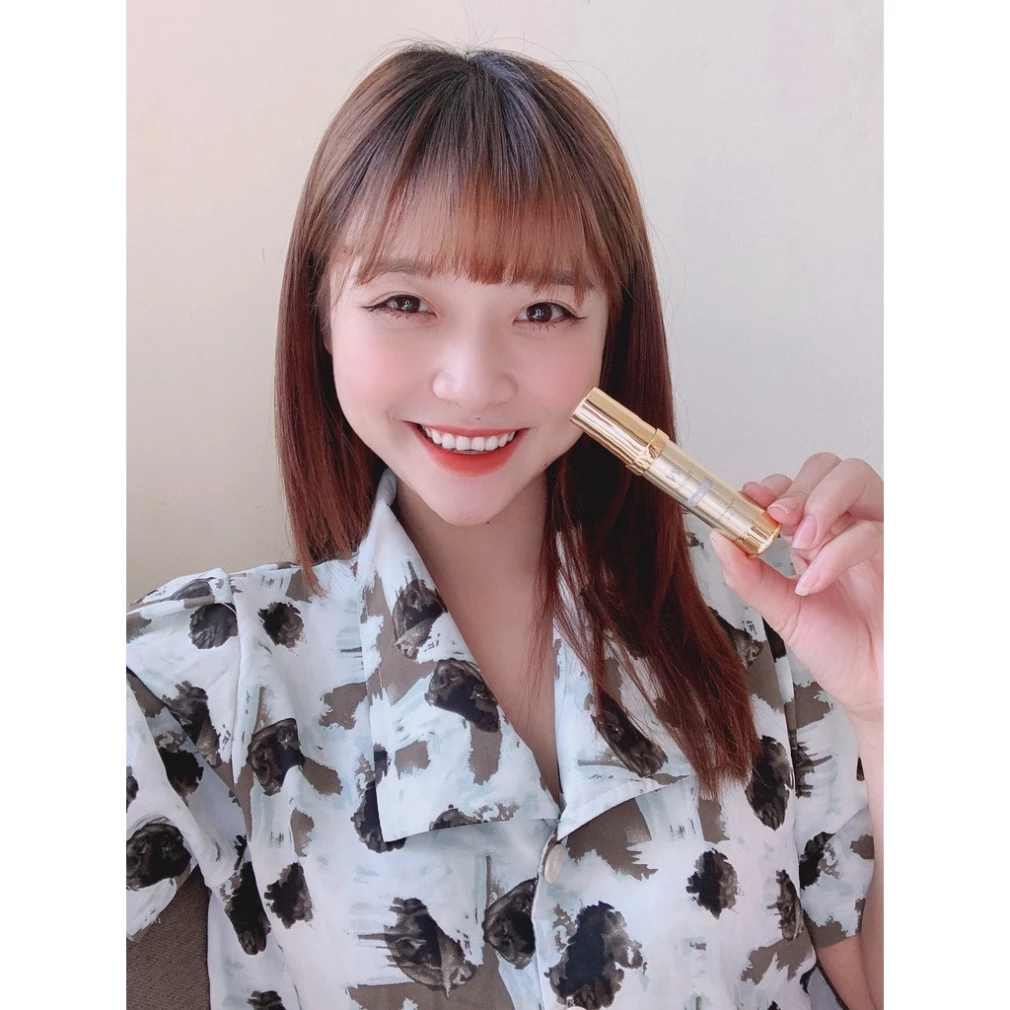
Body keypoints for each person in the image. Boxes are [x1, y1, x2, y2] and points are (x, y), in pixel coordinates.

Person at [126, 41, 883, 1010]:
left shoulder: (759, 622)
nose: (473, 381)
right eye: (405, 301)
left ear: (610, 332)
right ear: (321, 314)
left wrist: (888, 703)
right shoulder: (215, 668)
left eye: (543, 310)